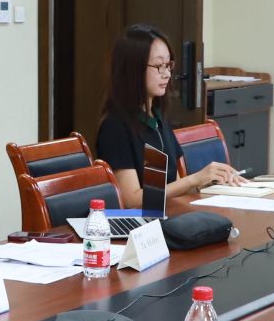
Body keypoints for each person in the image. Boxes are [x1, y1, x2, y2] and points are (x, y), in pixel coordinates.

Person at [94, 24, 240, 210]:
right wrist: (194, 179)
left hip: (169, 214)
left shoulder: (157, 118)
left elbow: (173, 186)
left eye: (168, 65)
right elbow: (132, 200)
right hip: (143, 224)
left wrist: (212, 181)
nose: (167, 74)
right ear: (133, 69)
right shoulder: (115, 126)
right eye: (158, 66)